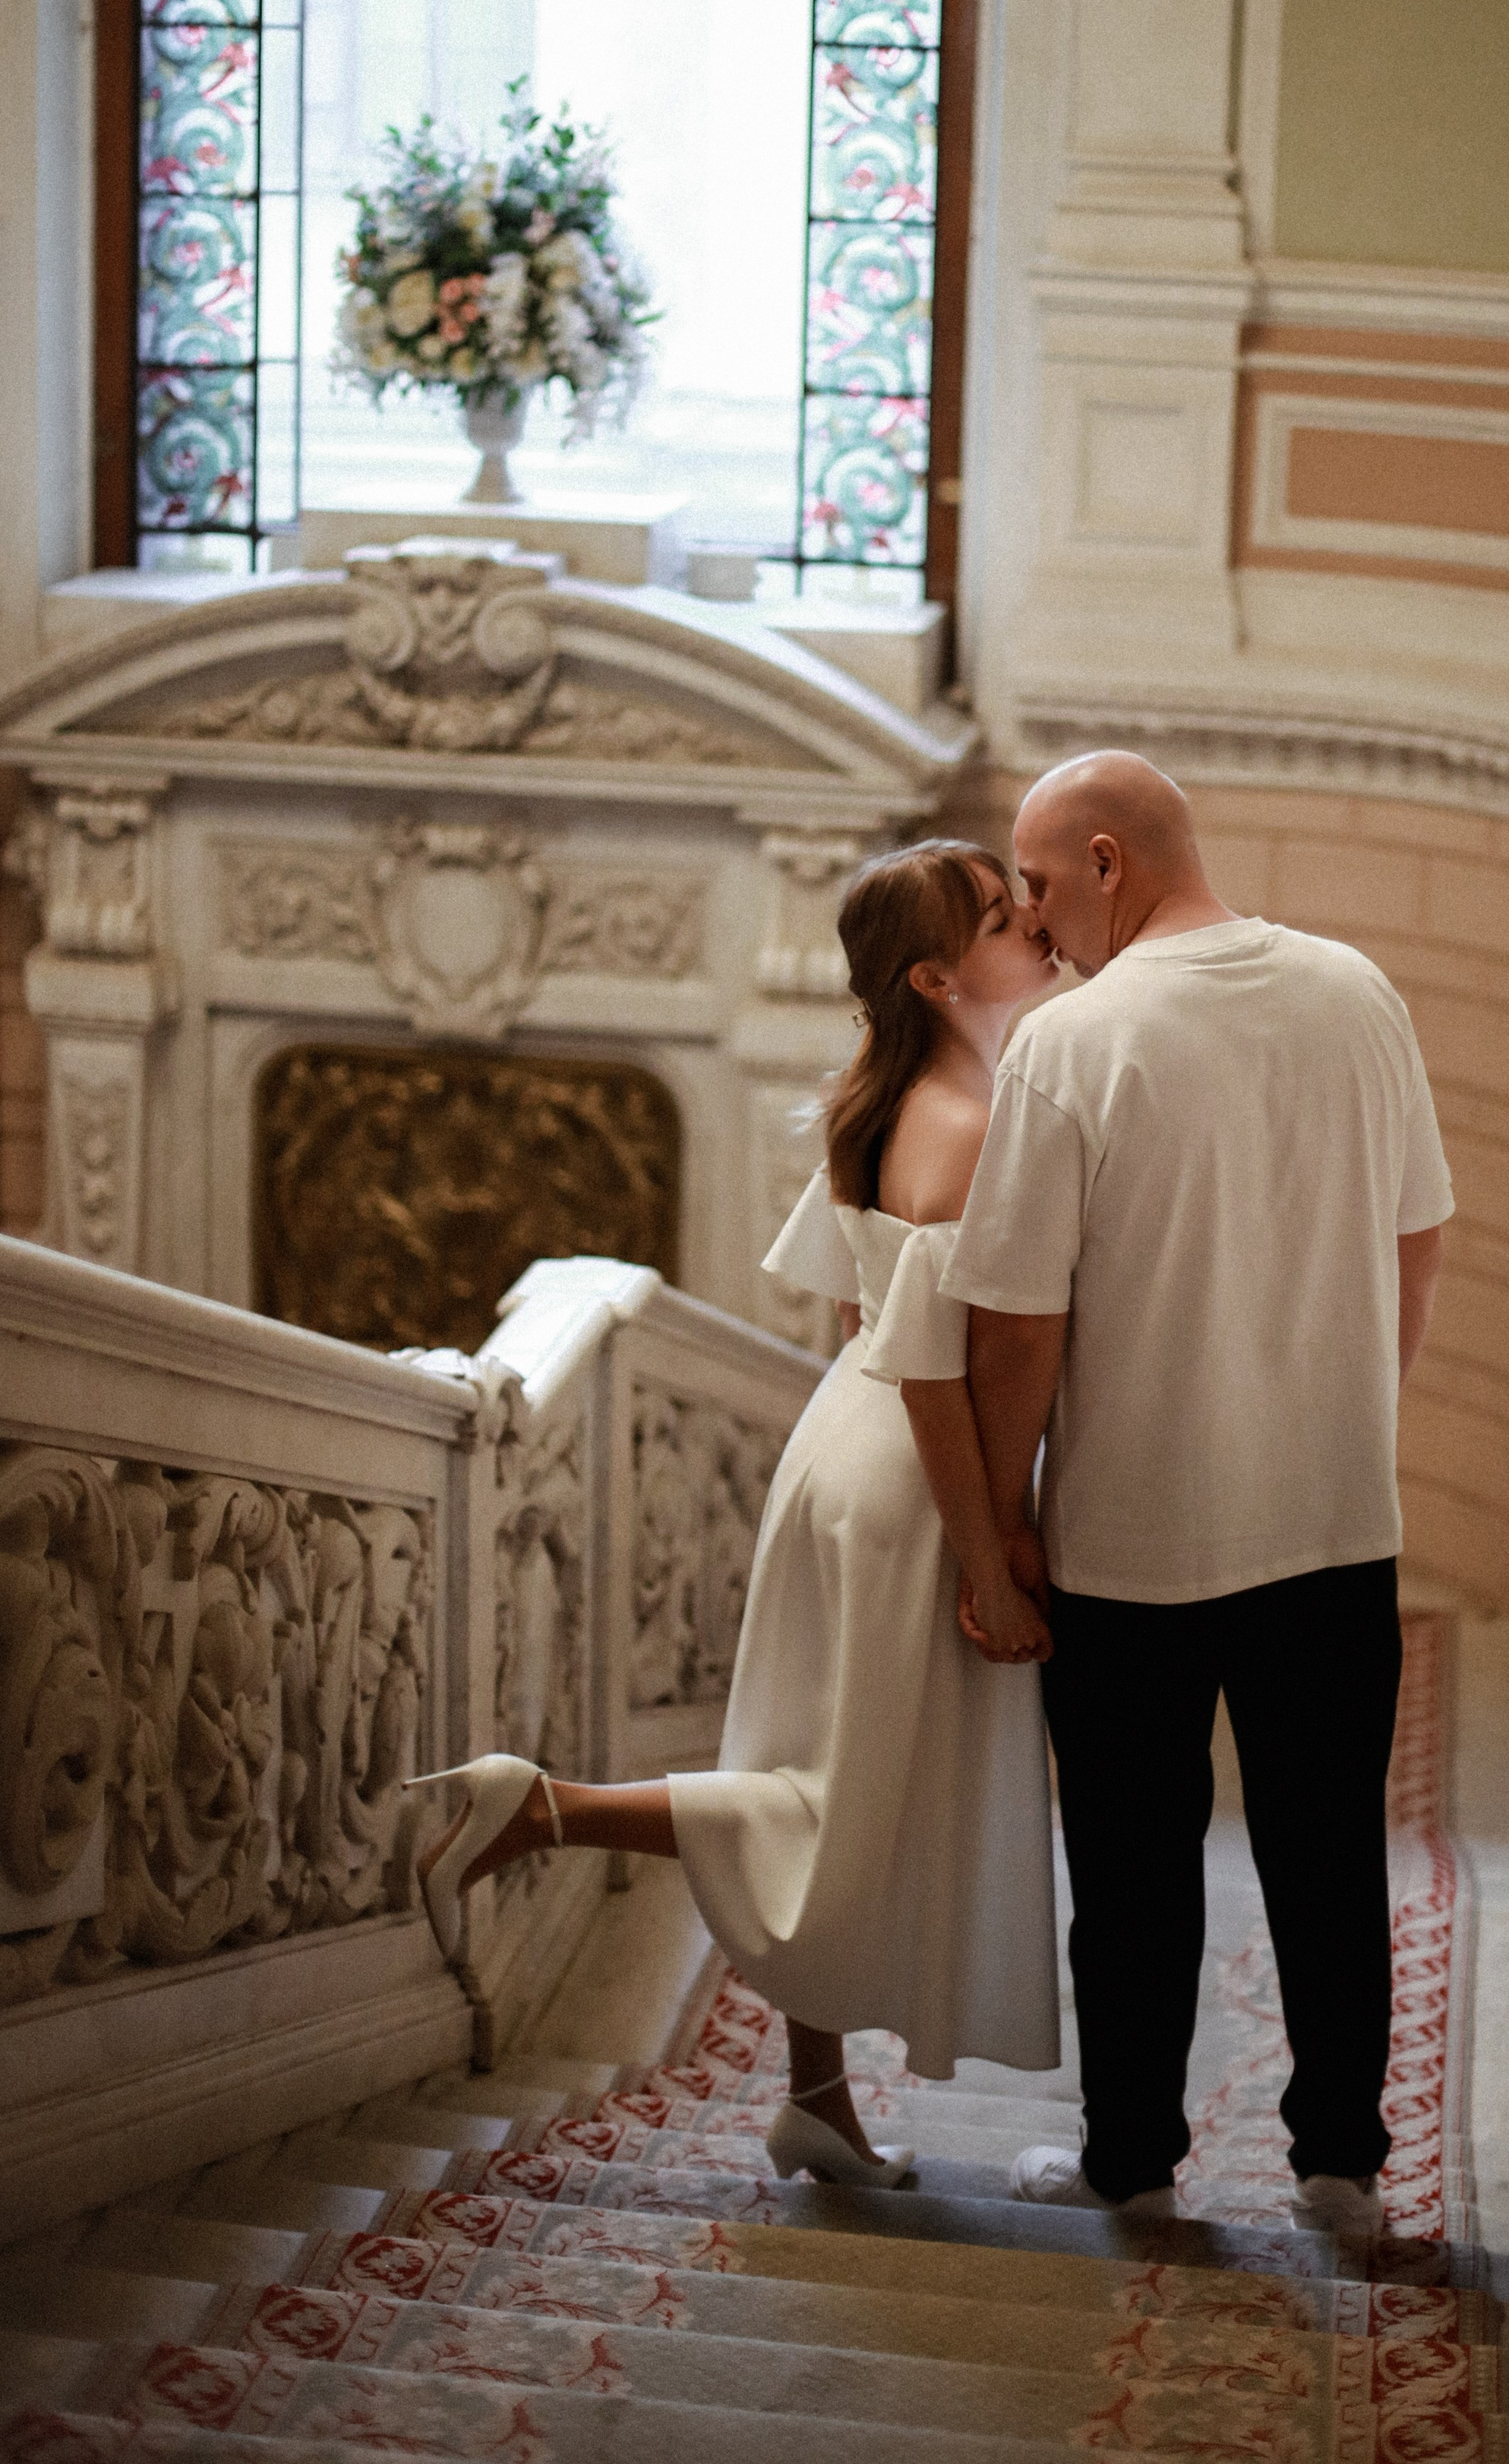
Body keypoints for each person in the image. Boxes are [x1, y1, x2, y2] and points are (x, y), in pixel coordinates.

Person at [406, 840, 1062, 2186]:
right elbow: (940, 1365)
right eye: (1005, 915)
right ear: (939, 977)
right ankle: (544, 1809)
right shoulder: (974, 1119)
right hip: (911, 1474)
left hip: (848, 1440)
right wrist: (991, 1546)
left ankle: (815, 2096)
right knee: (840, 1803)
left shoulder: (891, 1099)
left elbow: (854, 1314)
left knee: (818, 1764)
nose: (1034, 923)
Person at [942, 752, 1451, 2235]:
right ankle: (1339, 2168)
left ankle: (1132, 2160)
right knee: (1325, 1854)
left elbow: (1020, 1328)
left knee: (1131, 1870)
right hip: (1332, 1524)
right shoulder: (1356, 991)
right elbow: (1416, 1238)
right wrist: (1354, 1412)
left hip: (1129, 1543)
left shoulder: (1070, 1043)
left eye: (1037, 884)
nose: (1031, 924)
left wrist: (1000, 1524)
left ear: (1107, 859)